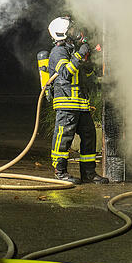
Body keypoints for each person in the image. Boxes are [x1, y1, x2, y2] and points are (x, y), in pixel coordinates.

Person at [46, 17, 109, 184]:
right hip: (66, 103)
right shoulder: (58, 52)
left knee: (89, 137)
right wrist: (80, 54)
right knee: (64, 138)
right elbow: (65, 73)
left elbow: (84, 76)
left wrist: (89, 64)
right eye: (71, 31)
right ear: (62, 34)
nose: (75, 33)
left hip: (81, 104)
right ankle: (60, 172)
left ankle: (88, 173)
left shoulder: (72, 51)